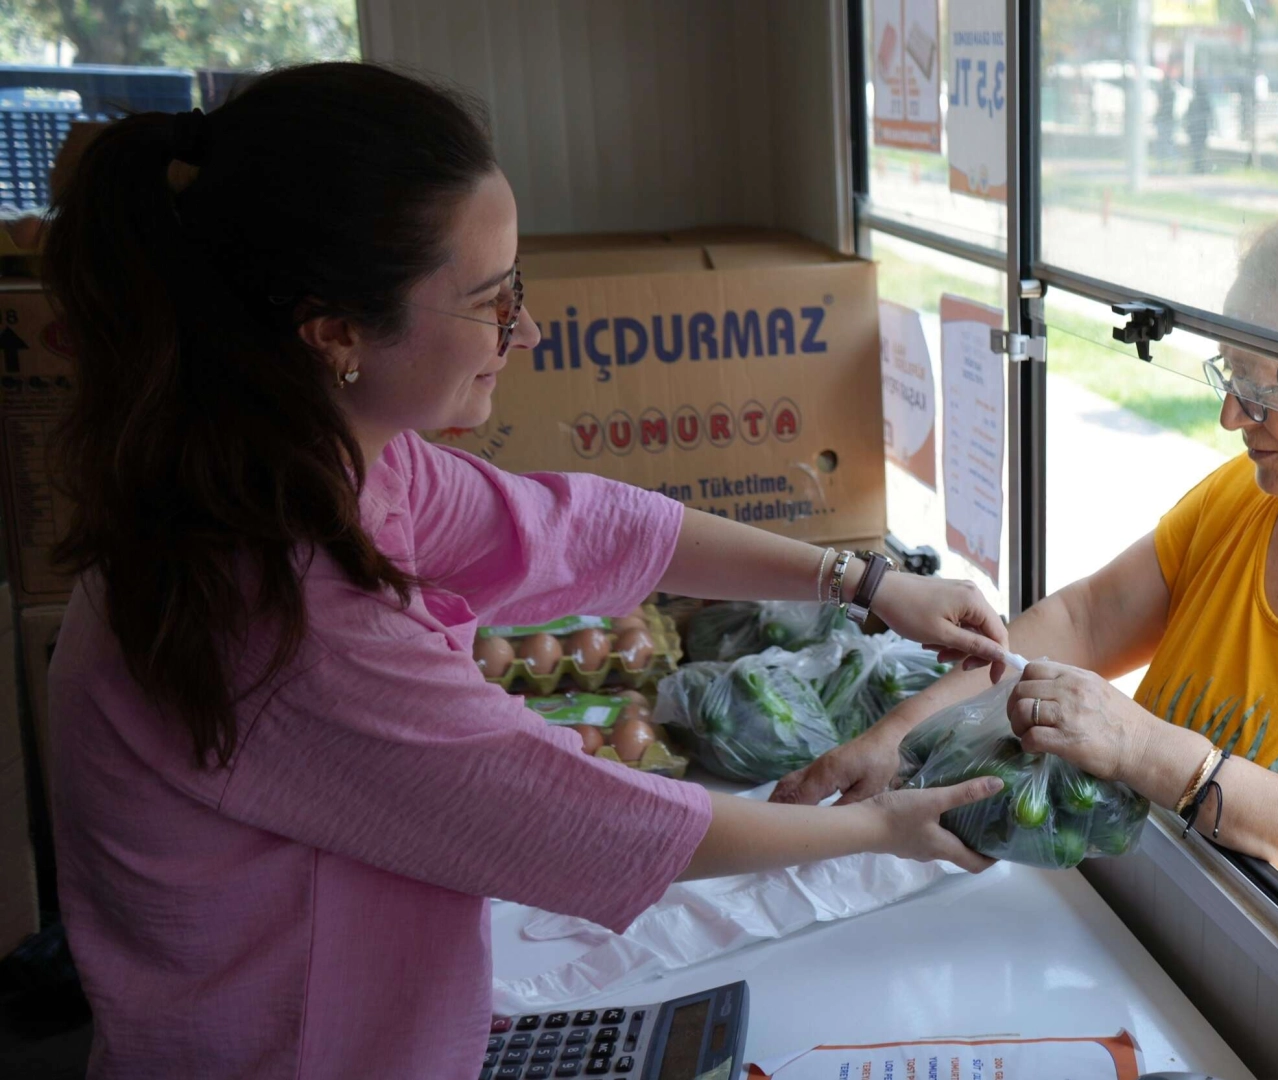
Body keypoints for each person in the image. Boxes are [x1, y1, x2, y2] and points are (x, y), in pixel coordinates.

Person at [42, 63, 1011, 1079]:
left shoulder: (315, 464)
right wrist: (874, 828)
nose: (527, 331)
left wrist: (860, 582)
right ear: (336, 334)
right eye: (490, 302)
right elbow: (583, 819)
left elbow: (575, 526)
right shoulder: (287, 613)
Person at [775, 210, 1278, 888]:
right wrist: (899, 736)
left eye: (1260, 384)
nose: (1230, 416)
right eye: (1230, 376)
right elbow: (1084, 621)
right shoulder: (1240, 500)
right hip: (1121, 891)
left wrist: (1143, 747)